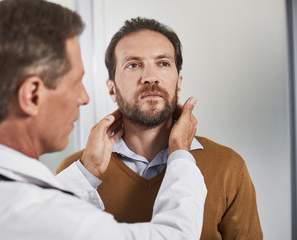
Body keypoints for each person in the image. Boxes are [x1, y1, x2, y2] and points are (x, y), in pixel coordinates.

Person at [0, 1, 207, 239]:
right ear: (32, 95)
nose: (85, 97)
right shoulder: (48, 218)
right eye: (76, 82)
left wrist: (86, 170)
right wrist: (181, 154)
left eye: (163, 63)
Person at [57, 17, 263, 240]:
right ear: (112, 90)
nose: (150, 77)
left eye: (163, 63)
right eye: (133, 65)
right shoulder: (77, 172)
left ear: (179, 83)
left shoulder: (228, 166)